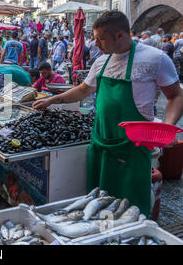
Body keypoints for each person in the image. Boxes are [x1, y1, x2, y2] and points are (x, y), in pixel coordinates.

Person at [33, 11, 182, 217]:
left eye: (101, 38)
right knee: (98, 206)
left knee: (132, 208)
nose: (96, 44)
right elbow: (83, 90)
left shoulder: (155, 59)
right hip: (101, 143)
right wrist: (52, 100)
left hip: (133, 147)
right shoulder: (101, 62)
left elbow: (176, 96)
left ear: (121, 35)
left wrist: (168, 127)